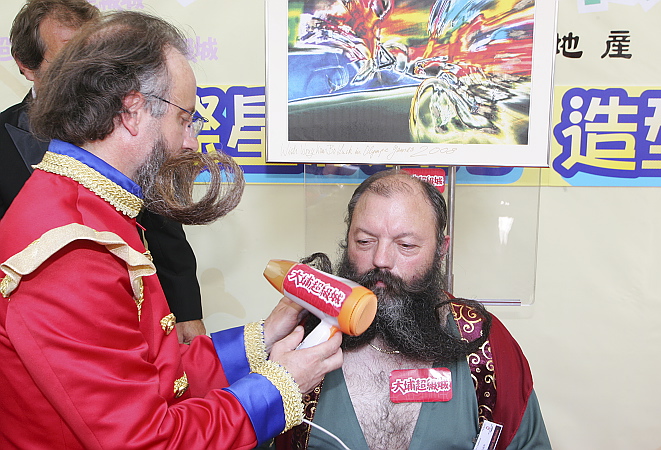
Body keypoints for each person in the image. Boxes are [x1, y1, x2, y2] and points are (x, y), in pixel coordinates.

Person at [0, 10, 342, 449]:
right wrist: (279, 388)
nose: (190, 142)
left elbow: (157, 375)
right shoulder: (71, 251)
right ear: (132, 111)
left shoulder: (93, 208)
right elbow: (147, 440)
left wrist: (263, 337)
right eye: (184, 119)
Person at [275, 169, 550, 449]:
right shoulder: (298, 339)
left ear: (441, 250)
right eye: (364, 241)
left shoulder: (482, 343)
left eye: (406, 245)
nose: (381, 259)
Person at [0, 0, 205, 344]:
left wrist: (186, 310)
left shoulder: (134, 126)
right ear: (26, 64)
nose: (87, 69)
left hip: (127, 312)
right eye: (70, 56)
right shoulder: (6, 137)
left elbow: (162, 223)